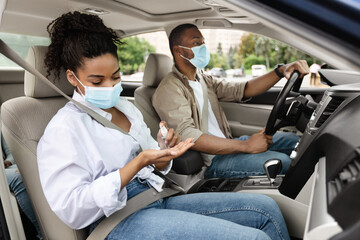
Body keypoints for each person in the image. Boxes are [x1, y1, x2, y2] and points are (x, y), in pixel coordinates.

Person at [37, 11, 290, 240]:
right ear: (73, 77)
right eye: (97, 80)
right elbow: (72, 209)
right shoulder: (65, 128)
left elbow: (155, 163)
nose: (110, 87)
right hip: (118, 221)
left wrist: (162, 152)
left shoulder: (126, 108)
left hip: (156, 197)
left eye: (115, 76)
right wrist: (136, 164)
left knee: (266, 210)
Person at [153, 23, 309, 179]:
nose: (203, 47)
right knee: (282, 162)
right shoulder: (169, 89)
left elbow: (242, 89)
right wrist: (247, 146)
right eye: (196, 43)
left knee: (298, 142)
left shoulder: (203, 79)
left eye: (203, 43)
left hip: (228, 144)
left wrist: (280, 71)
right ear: (178, 50)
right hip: (212, 160)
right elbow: (189, 135)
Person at [1, 134, 42, 239]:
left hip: (5, 168)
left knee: (34, 167)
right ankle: (42, 232)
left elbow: (10, 153)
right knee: (17, 178)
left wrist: (8, 162)